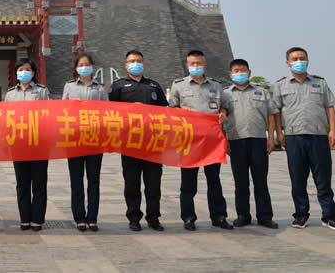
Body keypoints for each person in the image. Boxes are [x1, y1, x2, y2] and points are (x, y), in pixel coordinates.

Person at [272, 46, 335, 231]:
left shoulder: (320, 83)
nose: (299, 62)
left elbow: (329, 106)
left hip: (318, 137)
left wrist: (333, 130)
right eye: (295, 59)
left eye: (302, 58)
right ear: (287, 63)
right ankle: (301, 215)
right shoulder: (280, 85)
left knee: (323, 179)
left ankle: (329, 216)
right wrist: (279, 132)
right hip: (294, 138)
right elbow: (276, 110)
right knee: (298, 179)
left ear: (308, 61)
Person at [168, 50, 233, 231]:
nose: (196, 66)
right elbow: (171, 110)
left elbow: (225, 107)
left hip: (212, 141)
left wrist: (223, 114)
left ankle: (219, 216)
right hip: (189, 141)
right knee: (188, 182)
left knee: (214, 180)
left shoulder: (216, 85)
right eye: (192, 64)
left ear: (205, 65)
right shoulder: (179, 85)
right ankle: (188, 217)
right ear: (187, 66)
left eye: (199, 63)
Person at [109, 50, 168, 232]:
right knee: (132, 184)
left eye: (139, 60)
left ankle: (153, 217)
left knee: (153, 184)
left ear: (143, 63)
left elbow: (166, 111)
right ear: (126, 65)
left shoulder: (154, 85)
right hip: (130, 142)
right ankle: (134, 218)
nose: (135, 63)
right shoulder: (118, 86)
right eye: (132, 61)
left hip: (153, 143)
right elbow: (109, 112)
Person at [225, 58, 278, 229]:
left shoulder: (261, 91)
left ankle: (265, 216)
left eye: (243, 70)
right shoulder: (225, 94)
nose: (240, 73)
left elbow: (271, 115)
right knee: (240, 182)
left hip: (258, 140)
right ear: (230, 74)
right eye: (236, 71)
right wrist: (224, 141)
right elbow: (220, 119)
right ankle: (243, 215)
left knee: (261, 180)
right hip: (236, 141)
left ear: (249, 72)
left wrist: (271, 138)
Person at [61, 52, 107, 232]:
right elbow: (62, 110)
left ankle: (92, 218)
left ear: (93, 67)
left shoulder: (100, 88)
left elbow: (107, 112)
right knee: (76, 180)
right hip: (74, 139)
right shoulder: (69, 86)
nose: (84, 67)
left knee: (94, 181)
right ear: (76, 68)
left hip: (95, 139)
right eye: (80, 65)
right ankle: (79, 217)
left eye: (87, 64)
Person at [5, 57, 50, 232]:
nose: (24, 72)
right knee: (22, 183)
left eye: (28, 69)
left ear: (33, 72)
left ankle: (37, 219)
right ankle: (24, 218)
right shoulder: (10, 94)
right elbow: (5, 119)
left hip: (39, 143)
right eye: (21, 69)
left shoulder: (42, 91)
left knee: (39, 183)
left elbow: (50, 115)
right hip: (18, 144)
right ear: (16, 72)